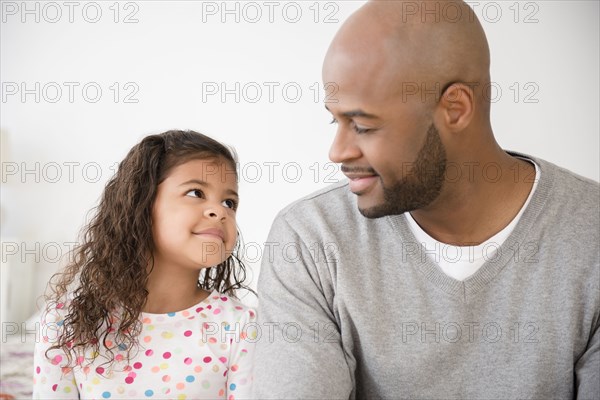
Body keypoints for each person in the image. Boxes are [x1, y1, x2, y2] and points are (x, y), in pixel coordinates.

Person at [253, 1, 599, 399]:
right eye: (337, 121)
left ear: (455, 109)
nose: (338, 151)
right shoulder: (310, 239)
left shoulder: (590, 235)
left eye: (363, 126)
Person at [33, 130, 256, 399]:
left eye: (229, 202)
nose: (220, 211)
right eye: (196, 192)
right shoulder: (63, 323)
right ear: (141, 204)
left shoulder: (240, 326)